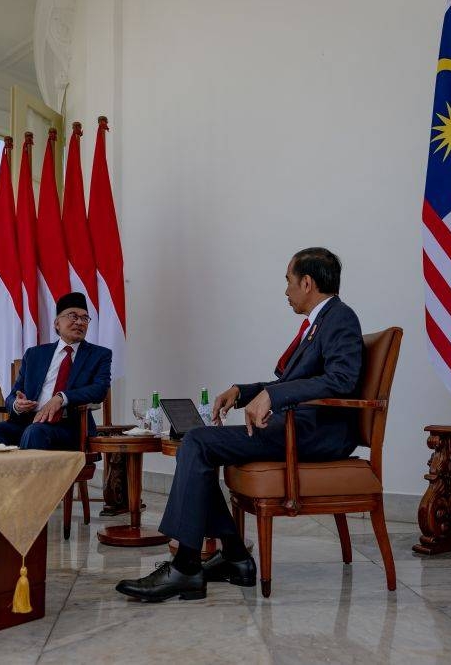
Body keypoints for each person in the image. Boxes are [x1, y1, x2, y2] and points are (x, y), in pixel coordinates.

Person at [116, 247, 364, 601]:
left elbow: (342, 379)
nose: (286, 290)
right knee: (198, 447)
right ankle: (234, 557)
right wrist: (244, 391)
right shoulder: (319, 324)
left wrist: (274, 399)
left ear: (307, 283)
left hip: (313, 433)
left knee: (198, 442)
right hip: (295, 426)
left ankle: (186, 567)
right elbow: (292, 383)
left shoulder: (340, 318)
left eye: (288, 281)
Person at [0, 292, 111, 450]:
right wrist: (17, 404)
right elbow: (12, 396)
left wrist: (62, 397)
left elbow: (100, 389)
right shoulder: (35, 355)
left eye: (85, 318)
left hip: (69, 428)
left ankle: (28, 475)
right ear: (57, 323)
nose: (79, 322)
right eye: (73, 316)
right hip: (28, 422)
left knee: (35, 432)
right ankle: (8, 476)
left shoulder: (98, 355)